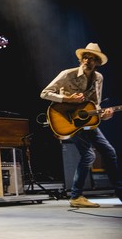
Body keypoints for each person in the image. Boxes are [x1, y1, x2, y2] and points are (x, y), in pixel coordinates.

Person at [40, 42, 122, 207]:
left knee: (110, 152)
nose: (87, 60)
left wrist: (105, 115)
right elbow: (44, 93)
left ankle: (119, 192)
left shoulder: (98, 78)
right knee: (89, 155)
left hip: (87, 122)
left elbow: (95, 106)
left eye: (91, 58)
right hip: (67, 120)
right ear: (81, 59)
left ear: (97, 63)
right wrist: (68, 99)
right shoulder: (67, 74)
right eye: (85, 57)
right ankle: (76, 196)